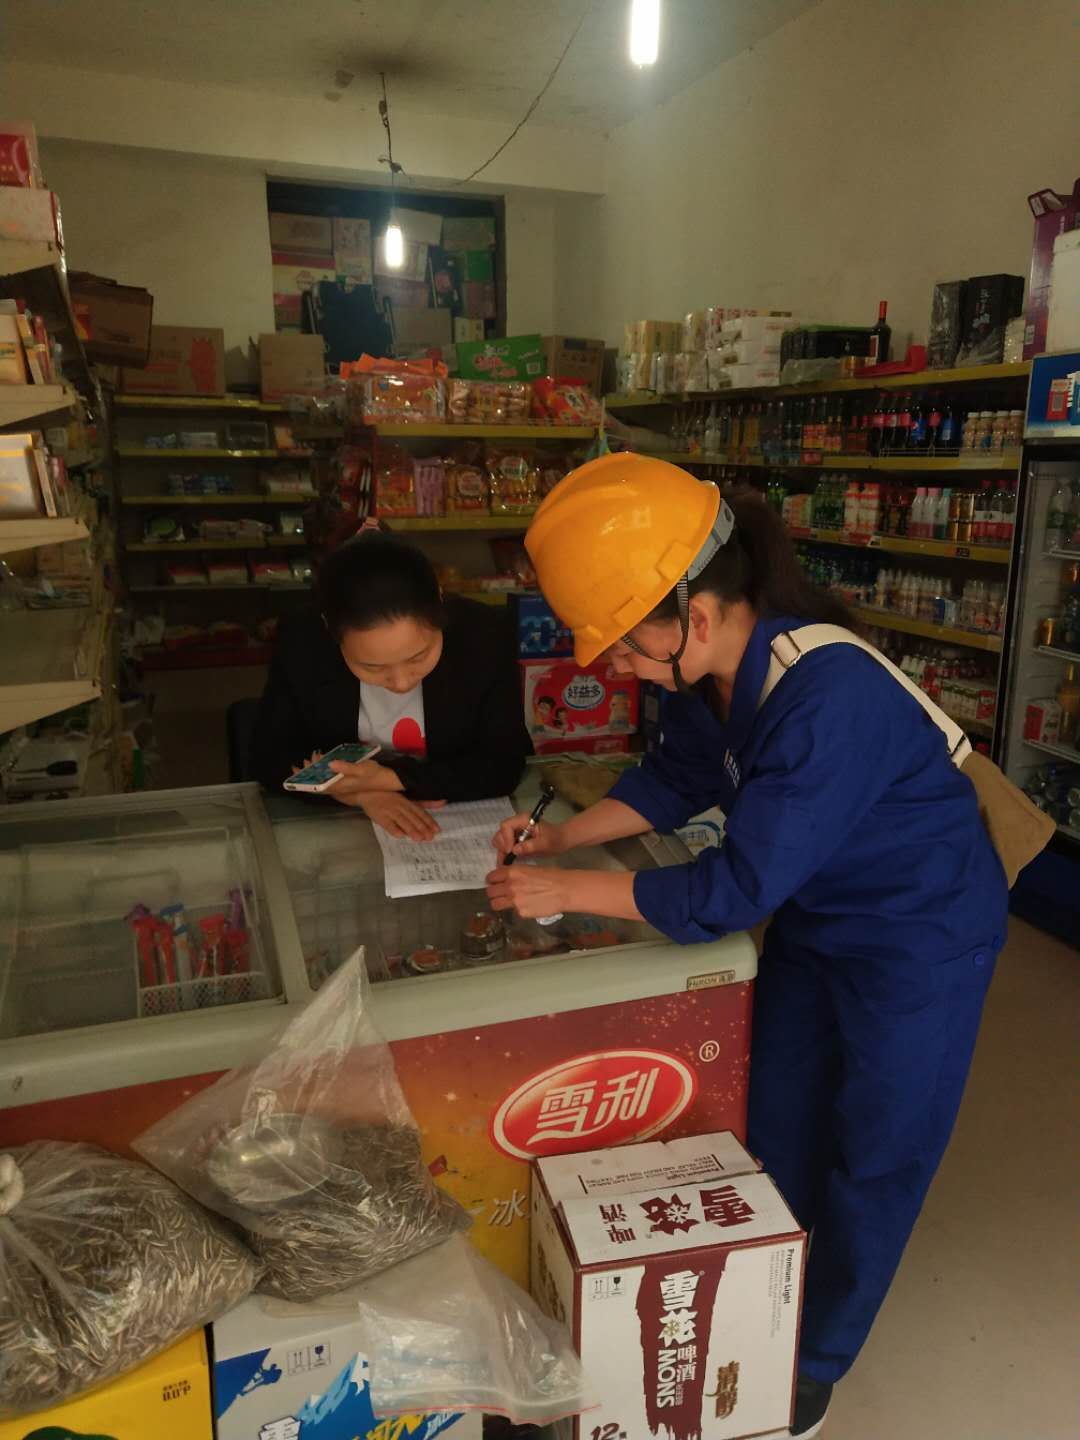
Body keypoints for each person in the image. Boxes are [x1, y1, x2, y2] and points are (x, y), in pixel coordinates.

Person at [486, 454, 1007, 1440]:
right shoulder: (712, 676)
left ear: (695, 611)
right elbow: (675, 780)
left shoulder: (831, 694)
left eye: (624, 643)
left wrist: (570, 891)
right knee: (777, 1116)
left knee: (880, 1151)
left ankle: (815, 1360)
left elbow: (733, 890)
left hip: (921, 936)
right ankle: (766, 1294)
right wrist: (564, 838)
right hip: (820, 918)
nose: (614, 666)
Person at [252, 529, 531, 838]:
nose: (400, 683)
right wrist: (361, 795)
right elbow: (269, 758)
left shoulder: (482, 635)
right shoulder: (303, 641)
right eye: (372, 667)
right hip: (339, 832)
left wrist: (389, 779)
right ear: (331, 631)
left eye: (419, 656)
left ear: (439, 604)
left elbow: (503, 763)